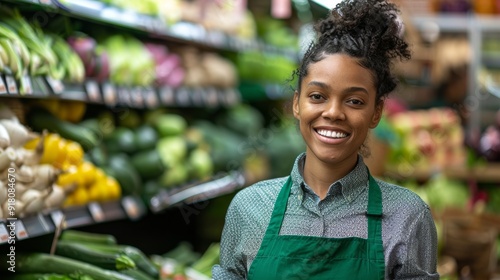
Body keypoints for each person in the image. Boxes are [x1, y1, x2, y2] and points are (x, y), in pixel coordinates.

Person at [212, 0, 439, 279]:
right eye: (317, 96)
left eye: (354, 101)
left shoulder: (408, 217)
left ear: (375, 112)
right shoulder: (249, 207)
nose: (333, 113)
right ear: (296, 104)